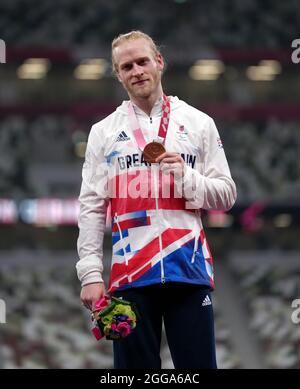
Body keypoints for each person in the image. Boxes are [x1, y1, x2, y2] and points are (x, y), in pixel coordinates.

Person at [76, 30, 237, 369]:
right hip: (130, 276)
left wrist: (186, 176)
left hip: (187, 270)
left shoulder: (198, 123)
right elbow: (91, 206)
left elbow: (226, 196)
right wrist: (90, 272)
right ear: (118, 75)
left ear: (159, 62)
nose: (136, 71)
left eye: (142, 61)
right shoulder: (103, 132)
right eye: (126, 66)